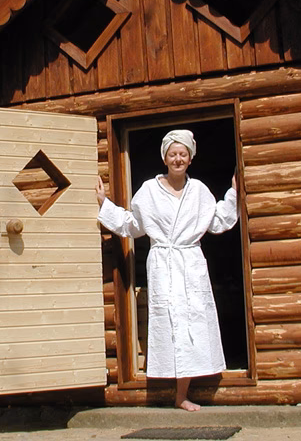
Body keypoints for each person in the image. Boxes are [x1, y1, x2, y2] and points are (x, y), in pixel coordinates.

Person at [95, 129, 238, 411]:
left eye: (183, 154)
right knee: (168, 324)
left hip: (191, 262)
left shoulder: (199, 192)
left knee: (193, 324)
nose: (178, 158)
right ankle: (174, 392)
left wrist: (233, 192)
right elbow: (132, 225)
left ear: (190, 158)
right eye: (173, 153)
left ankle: (182, 394)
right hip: (163, 263)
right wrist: (104, 204)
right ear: (164, 157)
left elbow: (218, 221)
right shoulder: (149, 190)